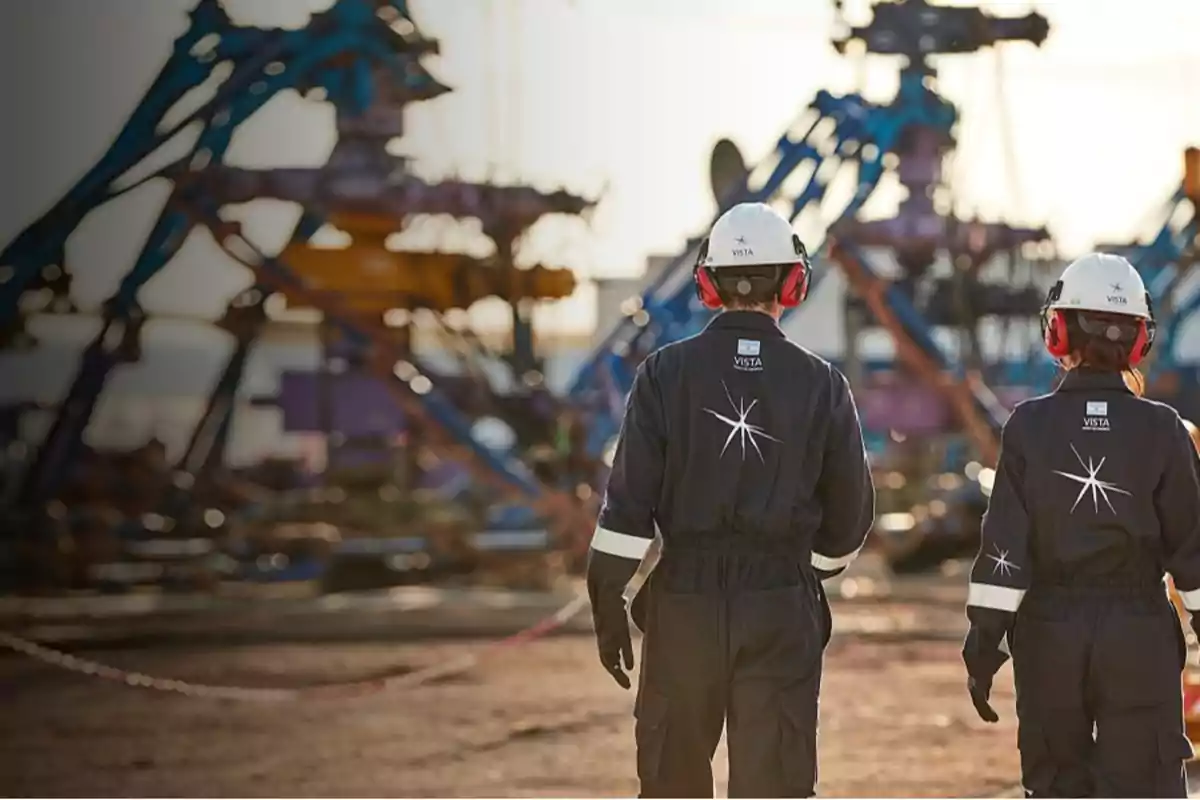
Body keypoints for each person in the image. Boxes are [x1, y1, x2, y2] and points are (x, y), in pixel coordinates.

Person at [585, 201, 876, 798]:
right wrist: (804, 572)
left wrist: (606, 596)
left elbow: (626, 509)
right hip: (779, 603)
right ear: (793, 282)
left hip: (684, 602)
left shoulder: (664, 373)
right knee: (775, 785)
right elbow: (851, 518)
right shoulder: (822, 383)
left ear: (707, 283)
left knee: (672, 781)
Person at [962, 252, 1200, 797]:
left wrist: (983, 646)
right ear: (1140, 340)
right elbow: (1194, 553)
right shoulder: (1164, 430)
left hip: (1050, 635)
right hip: (1138, 632)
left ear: (1058, 329)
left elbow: (1005, 553)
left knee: (1055, 784)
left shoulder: (1028, 427)